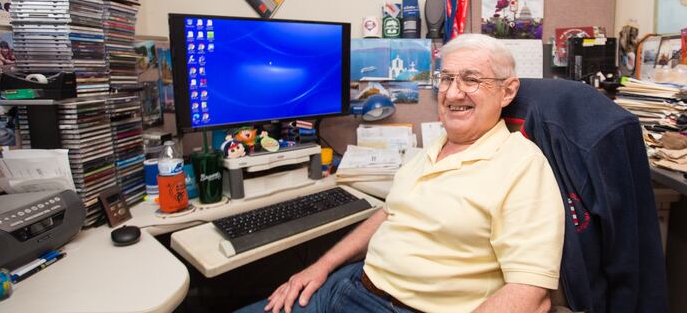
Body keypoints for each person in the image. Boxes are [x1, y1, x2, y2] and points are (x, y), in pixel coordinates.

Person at [238, 34, 564, 313]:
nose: (452, 93)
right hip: (347, 284)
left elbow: (531, 293)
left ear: (507, 92)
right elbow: (389, 213)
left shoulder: (522, 165)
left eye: (471, 79)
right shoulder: (434, 147)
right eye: (447, 79)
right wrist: (321, 266)